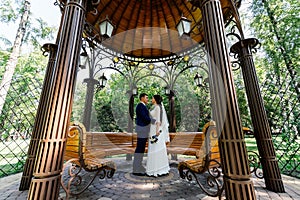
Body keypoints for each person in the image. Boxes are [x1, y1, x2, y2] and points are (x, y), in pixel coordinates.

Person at [146, 94, 170, 177]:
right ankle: (156, 168)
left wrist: (157, 132)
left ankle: (157, 169)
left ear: (155, 99)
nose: (151, 99)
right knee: (155, 148)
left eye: (152, 98)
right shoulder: (156, 107)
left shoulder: (157, 107)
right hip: (153, 128)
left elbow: (158, 121)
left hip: (156, 129)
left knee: (156, 148)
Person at [133, 93, 156, 176]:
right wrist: (154, 121)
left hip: (144, 130)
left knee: (141, 149)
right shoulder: (140, 106)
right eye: (146, 97)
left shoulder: (143, 106)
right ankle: (136, 169)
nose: (147, 99)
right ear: (142, 98)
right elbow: (144, 117)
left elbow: (147, 116)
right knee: (139, 149)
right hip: (142, 130)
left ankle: (139, 166)